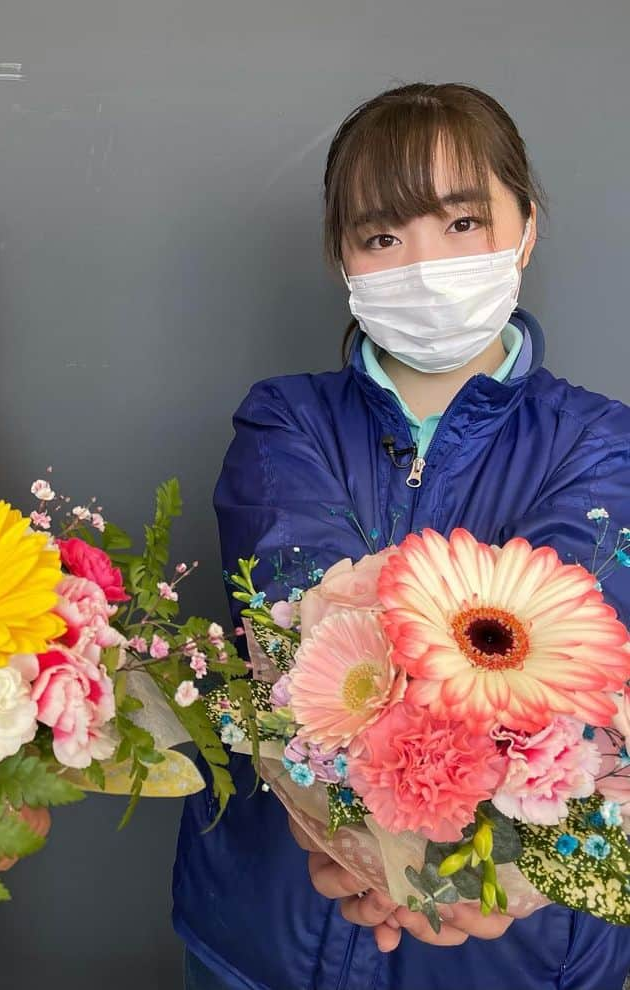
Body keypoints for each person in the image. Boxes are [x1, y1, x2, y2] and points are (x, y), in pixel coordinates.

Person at [174, 82, 630, 990]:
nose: (424, 264)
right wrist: (360, 848)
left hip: (517, 951)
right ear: (344, 259)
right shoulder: (283, 422)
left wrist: (472, 883)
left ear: (526, 227)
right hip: (273, 927)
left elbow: (562, 677)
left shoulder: (602, 441)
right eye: (384, 237)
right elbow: (302, 643)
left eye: (463, 224)